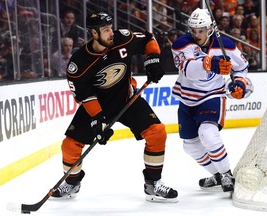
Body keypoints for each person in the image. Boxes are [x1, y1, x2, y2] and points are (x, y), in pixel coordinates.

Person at [51, 12, 178, 202]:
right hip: (97, 106)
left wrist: (153, 60)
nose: (111, 33)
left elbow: (148, 39)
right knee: (69, 146)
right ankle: (72, 181)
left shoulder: (122, 39)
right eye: (106, 30)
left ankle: (152, 184)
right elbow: (84, 96)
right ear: (94, 33)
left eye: (111, 28)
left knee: (157, 132)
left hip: (127, 99)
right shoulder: (79, 63)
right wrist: (98, 119)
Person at [171, 8, 249, 192]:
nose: (197, 35)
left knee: (208, 133)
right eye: (194, 30)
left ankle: (226, 174)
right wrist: (210, 64)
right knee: (190, 146)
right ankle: (217, 175)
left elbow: (242, 67)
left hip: (212, 95)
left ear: (210, 29)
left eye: (201, 30)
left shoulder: (226, 45)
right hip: (187, 99)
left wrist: (239, 83)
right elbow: (187, 69)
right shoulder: (181, 44)